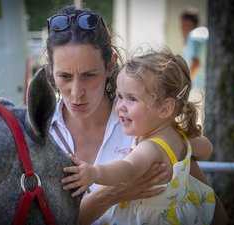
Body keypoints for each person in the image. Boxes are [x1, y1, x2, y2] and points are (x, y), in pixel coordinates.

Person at [45, 5, 227, 225]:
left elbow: (216, 212)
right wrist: (114, 194)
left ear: (111, 65)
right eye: (64, 76)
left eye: (89, 75)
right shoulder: (36, 132)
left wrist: (185, 140)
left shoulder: (144, 123)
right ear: (50, 72)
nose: (76, 93)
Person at [62, 47, 216, 224]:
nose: (121, 106)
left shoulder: (151, 147)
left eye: (132, 99)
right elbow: (206, 148)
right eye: (120, 96)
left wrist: (95, 173)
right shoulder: (180, 137)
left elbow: (128, 169)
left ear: (165, 108)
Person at [180, 7, 209, 125]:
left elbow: (195, 63)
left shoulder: (194, 37)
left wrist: (185, 84)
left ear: (188, 23)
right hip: (205, 88)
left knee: (193, 124)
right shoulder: (204, 33)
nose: (180, 29)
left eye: (182, 25)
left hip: (195, 90)